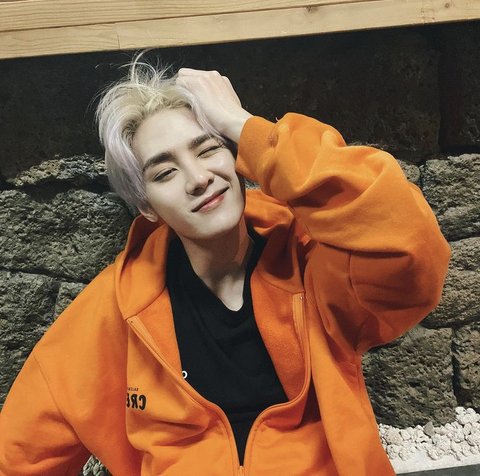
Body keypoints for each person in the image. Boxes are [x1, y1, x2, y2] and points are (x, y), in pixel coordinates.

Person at [0, 59, 450, 476]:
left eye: (207, 149)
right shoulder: (120, 304)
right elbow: (21, 450)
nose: (199, 179)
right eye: (165, 173)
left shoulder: (310, 261)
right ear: (147, 207)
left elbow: (407, 237)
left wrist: (243, 125)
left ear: (236, 156)